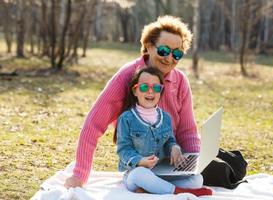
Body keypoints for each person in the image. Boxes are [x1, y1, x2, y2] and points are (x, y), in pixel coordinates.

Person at [64, 15, 201, 188]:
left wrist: (195, 165)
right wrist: (80, 175)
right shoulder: (127, 76)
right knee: (141, 177)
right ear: (149, 47)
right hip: (139, 164)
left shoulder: (180, 81)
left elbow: (187, 131)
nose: (169, 58)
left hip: (170, 164)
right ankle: (169, 191)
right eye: (164, 51)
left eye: (177, 53)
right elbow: (93, 124)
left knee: (197, 181)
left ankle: (160, 188)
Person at [116, 67, 212, 196]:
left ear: (161, 91)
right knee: (139, 175)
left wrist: (174, 148)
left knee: (197, 179)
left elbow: (169, 141)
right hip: (136, 172)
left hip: (161, 172)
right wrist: (140, 161)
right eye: (144, 87)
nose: (150, 92)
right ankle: (178, 191)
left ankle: (152, 188)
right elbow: (123, 149)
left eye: (156, 88)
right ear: (135, 91)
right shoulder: (126, 118)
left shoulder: (165, 117)